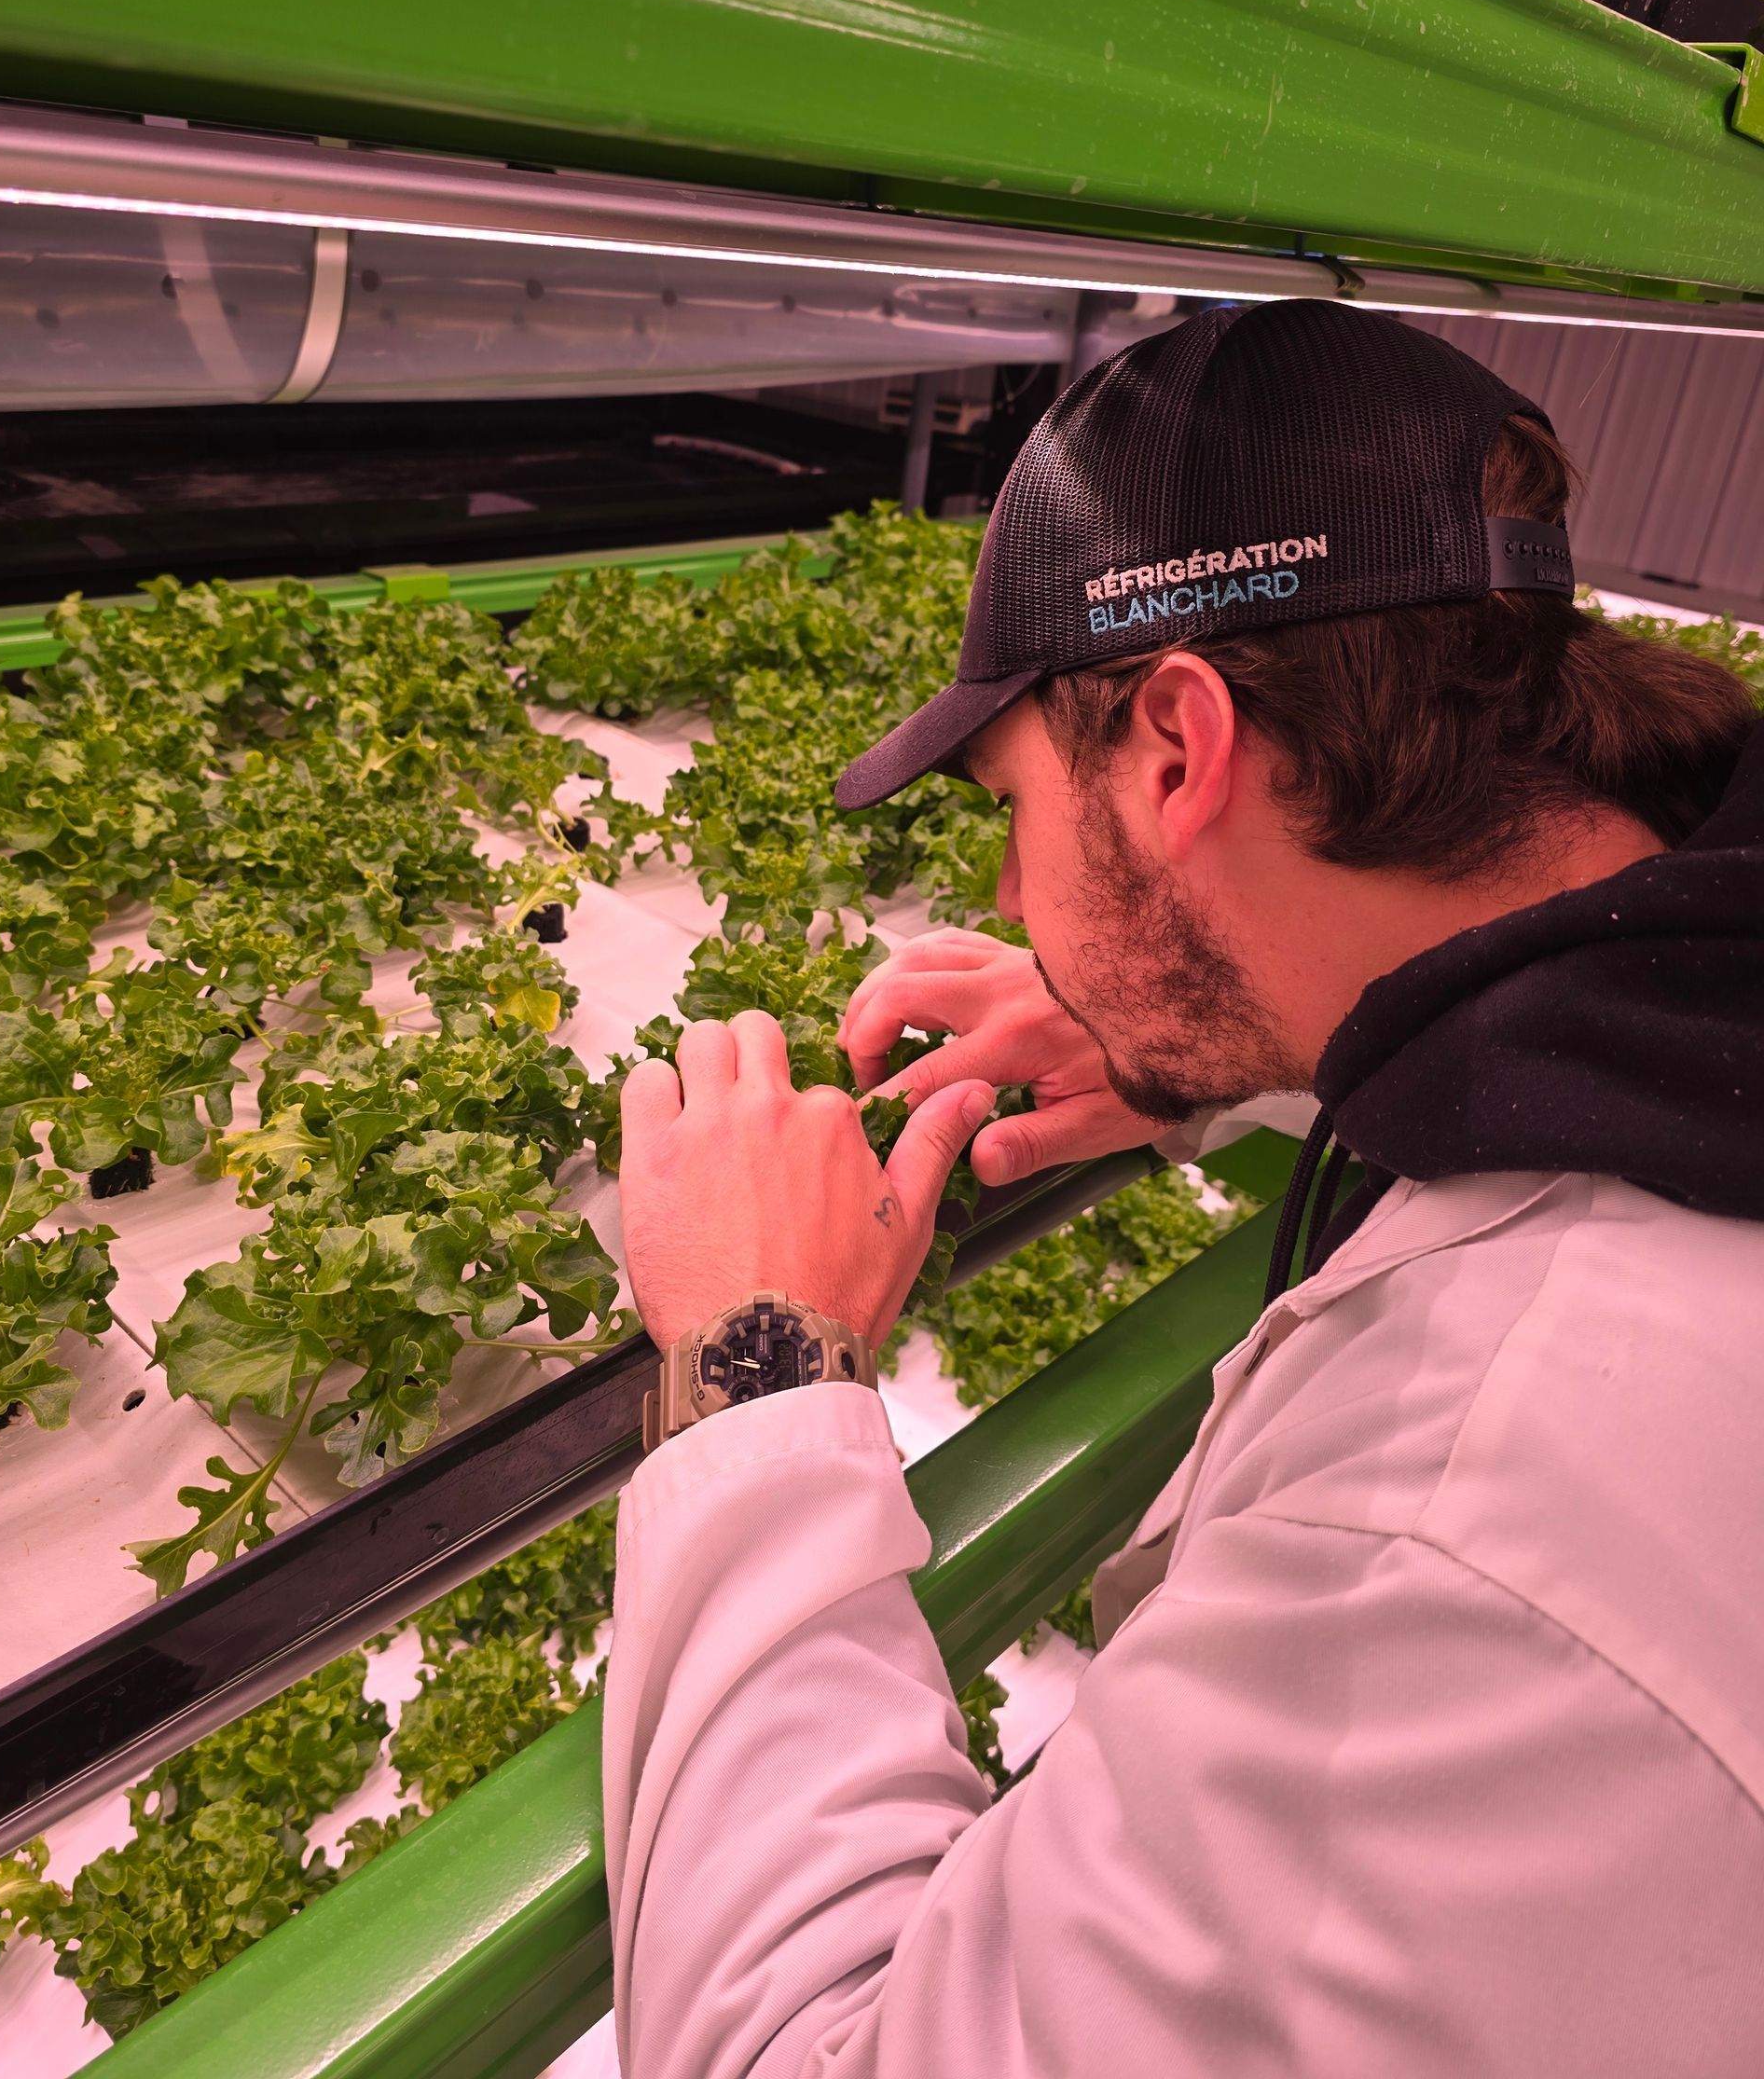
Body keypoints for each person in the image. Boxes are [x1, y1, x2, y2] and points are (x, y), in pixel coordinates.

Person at [602, 301, 1764, 2076]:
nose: (1009, 884)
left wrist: (758, 1364)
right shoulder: (1696, 969)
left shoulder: (1466, 1536)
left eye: (1013, 803)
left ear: (1172, 748)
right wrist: (1276, 1034)